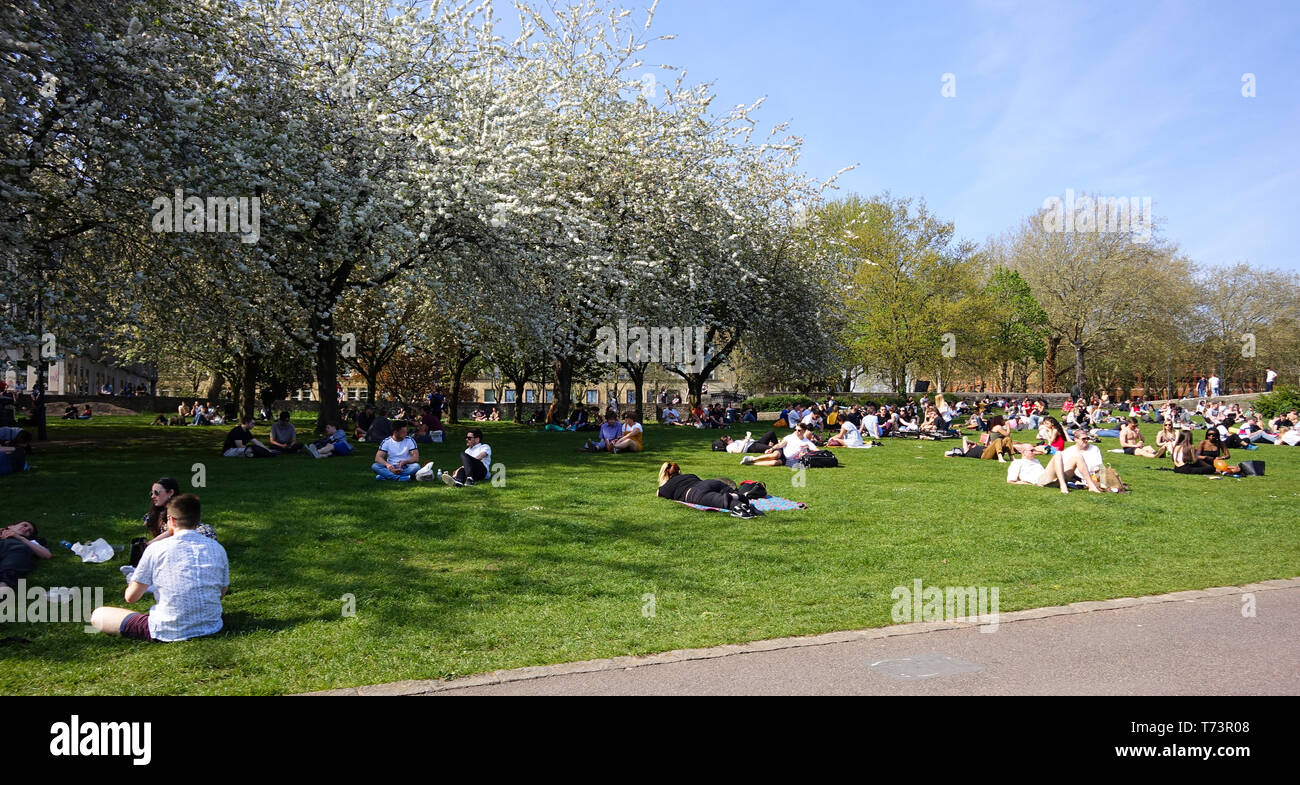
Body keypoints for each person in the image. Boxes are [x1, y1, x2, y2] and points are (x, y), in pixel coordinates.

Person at [90, 494, 228, 642]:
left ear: (171, 520)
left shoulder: (156, 549)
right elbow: (221, 591)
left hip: (168, 630)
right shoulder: (217, 548)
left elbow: (131, 597)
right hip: (212, 624)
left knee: (99, 614)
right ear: (197, 520)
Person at [656, 462, 761, 518]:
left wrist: (662, 481)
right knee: (728, 491)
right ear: (679, 472)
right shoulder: (689, 475)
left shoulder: (666, 487)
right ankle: (741, 496)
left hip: (694, 492)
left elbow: (658, 493)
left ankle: (738, 504)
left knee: (720, 500)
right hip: (709, 483)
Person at [1033, 431, 1104, 493]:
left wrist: (1101, 480)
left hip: (1080, 478)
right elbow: (1062, 469)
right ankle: (1063, 485)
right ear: (1076, 439)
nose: (1086, 440)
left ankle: (1091, 485)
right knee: (1059, 454)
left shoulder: (1094, 449)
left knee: (1078, 457)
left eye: (1087, 438)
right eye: (1083, 439)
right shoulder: (1069, 451)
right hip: (1050, 478)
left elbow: (1099, 466)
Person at [425, 427, 491, 487]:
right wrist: (459, 470)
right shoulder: (467, 450)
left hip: (482, 471)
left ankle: (469, 479)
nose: (466, 439)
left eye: (469, 438)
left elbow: (480, 457)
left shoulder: (484, 447)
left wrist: (461, 468)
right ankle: (458, 481)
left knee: (463, 455)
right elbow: (467, 465)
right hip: (473, 473)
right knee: (462, 470)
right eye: (466, 437)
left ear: (477, 439)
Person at [0, 520, 51, 589]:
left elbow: (47, 555)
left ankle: (2, 583)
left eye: (29, 531)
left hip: (15, 552)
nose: (26, 529)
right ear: (11, 526)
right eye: (25, 525)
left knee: (21, 549)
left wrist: (20, 538)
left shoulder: (30, 542)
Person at [742, 423, 818, 467]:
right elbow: (781, 444)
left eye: (799, 430)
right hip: (782, 451)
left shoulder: (807, 442)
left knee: (774, 463)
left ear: (804, 431)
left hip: (789, 460)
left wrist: (807, 453)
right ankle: (752, 459)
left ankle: (753, 463)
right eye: (795, 429)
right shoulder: (790, 437)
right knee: (774, 456)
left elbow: (817, 451)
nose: (796, 431)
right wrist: (771, 449)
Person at [712, 431, 780, 454]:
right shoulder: (729, 447)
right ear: (727, 442)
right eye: (730, 438)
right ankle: (780, 450)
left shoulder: (735, 442)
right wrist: (745, 441)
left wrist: (746, 438)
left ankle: (777, 445)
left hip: (755, 443)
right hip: (752, 447)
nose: (732, 439)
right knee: (772, 448)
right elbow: (739, 451)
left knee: (771, 433)